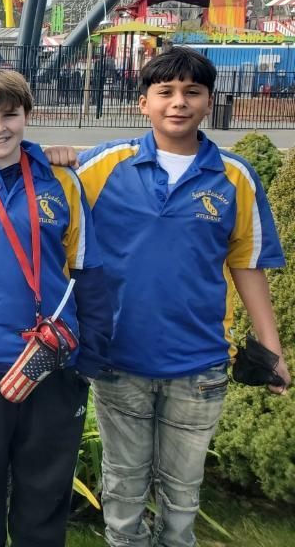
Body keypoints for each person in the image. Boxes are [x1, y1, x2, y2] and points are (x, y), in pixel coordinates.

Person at [70, 47, 289, 547]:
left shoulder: (234, 177)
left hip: (200, 365)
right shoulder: (105, 165)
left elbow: (247, 265)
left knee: (183, 492)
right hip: (117, 360)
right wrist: (53, 157)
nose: (178, 102)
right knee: (124, 485)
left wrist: (270, 348)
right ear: (142, 101)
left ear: (209, 101)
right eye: (165, 92)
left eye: (192, 92)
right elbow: (53, 217)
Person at [0, 67, 110, 547]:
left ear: (28, 115)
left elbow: (88, 272)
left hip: (56, 363)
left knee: (45, 488)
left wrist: (88, 357)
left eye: (10, 114)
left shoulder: (62, 183)